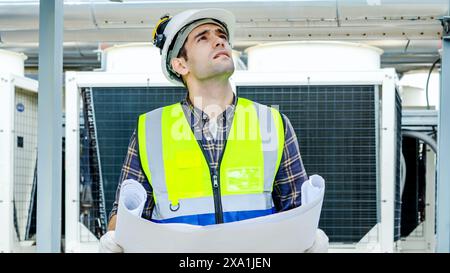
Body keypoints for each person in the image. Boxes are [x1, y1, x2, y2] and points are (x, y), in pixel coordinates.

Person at [99, 8, 328, 253]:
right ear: (180, 64)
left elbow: (295, 208)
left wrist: (308, 238)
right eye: (203, 37)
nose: (219, 40)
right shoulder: (151, 129)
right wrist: (115, 238)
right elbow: (127, 215)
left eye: (221, 35)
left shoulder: (272, 122)